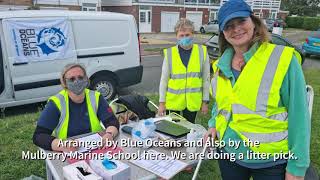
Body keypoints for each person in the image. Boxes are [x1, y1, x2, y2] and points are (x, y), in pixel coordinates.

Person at [204, 0, 310, 180]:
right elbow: (223, 103)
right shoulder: (220, 65)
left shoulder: (283, 60)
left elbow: (299, 117)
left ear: (254, 22)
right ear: (222, 32)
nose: (236, 29)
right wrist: (214, 124)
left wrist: (297, 167)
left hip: (270, 162)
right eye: (229, 26)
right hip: (229, 154)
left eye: (241, 21)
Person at [33, 63, 119, 152]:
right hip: (69, 152)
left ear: (86, 79)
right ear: (64, 82)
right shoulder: (56, 102)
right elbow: (39, 136)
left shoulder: (96, 97)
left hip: (97, 148)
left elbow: (112, 121)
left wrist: (109, 134)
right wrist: (62, 145)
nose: (77, 81)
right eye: (72, 79)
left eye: (80, 77)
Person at [158, 18, 210, 123]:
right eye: (181, 35)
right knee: (173, 130)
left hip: (192, 102)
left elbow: (206, 79)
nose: (184, 38)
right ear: (177, 36)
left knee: (189, 130)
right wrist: (162, 103)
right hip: (173, 102)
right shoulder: (170, 53)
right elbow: (164, 80)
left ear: (193, 34)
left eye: (187, 35)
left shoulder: (202, 52)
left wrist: (205, 101)